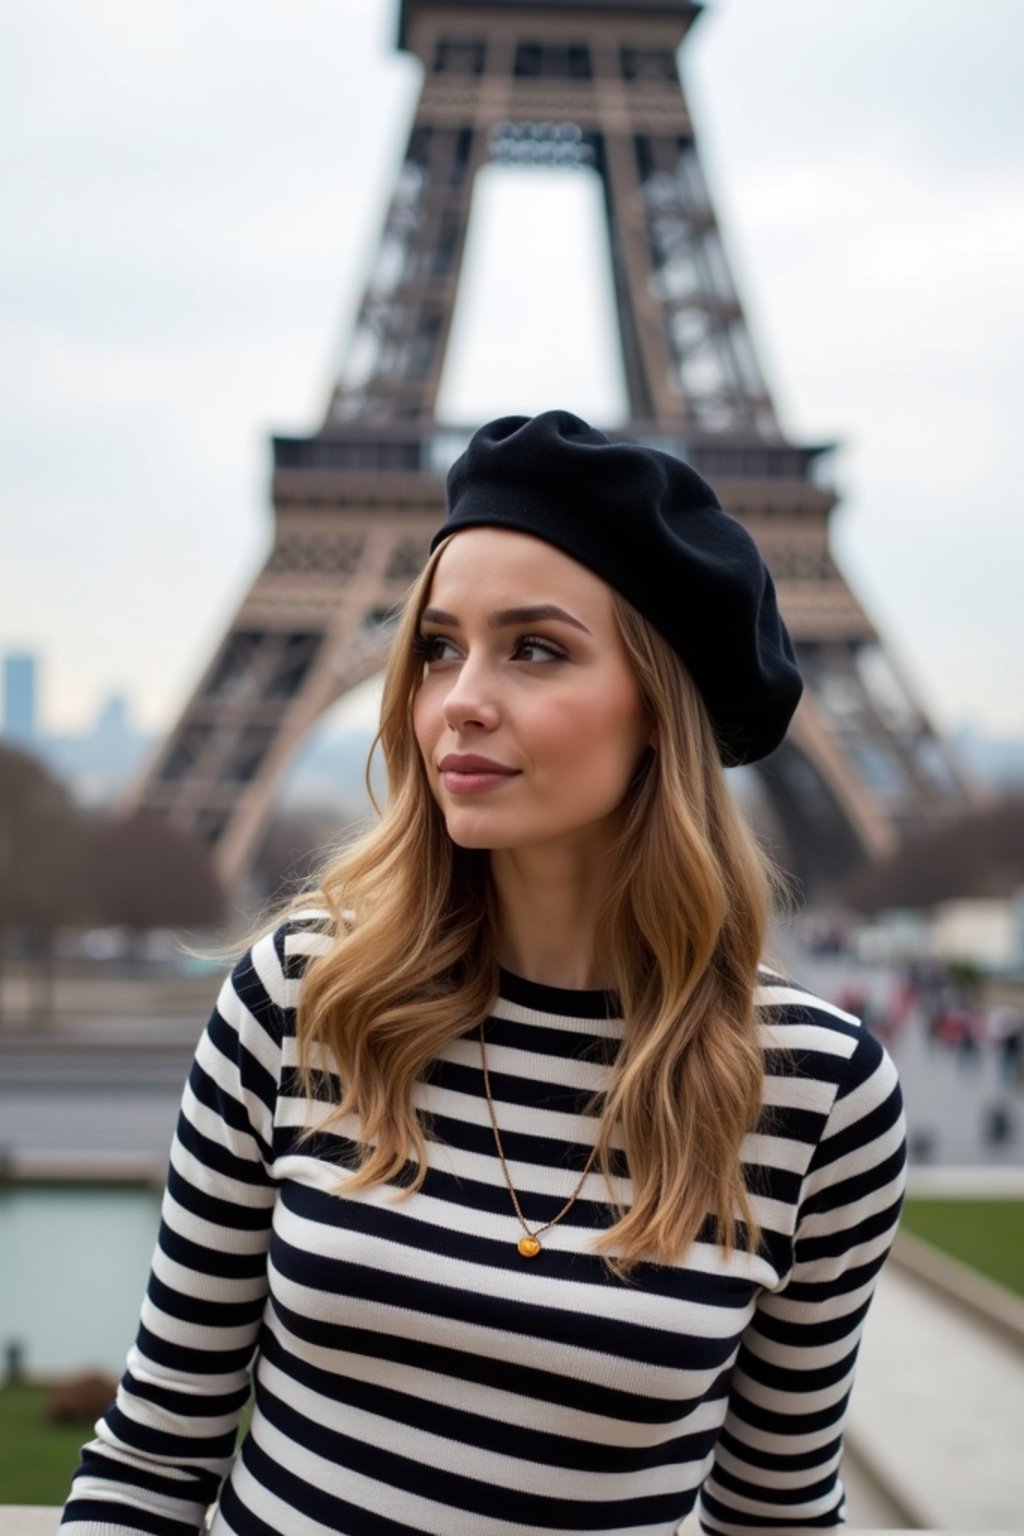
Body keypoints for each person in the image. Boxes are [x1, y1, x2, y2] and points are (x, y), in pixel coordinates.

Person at [62, 411, 906, 1535]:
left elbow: (775, 1512)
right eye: (437, 647)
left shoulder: (818, 1097)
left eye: (536, 648)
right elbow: (156, 1447)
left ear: (660, 708)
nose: (458, 696)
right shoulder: (296, 999)